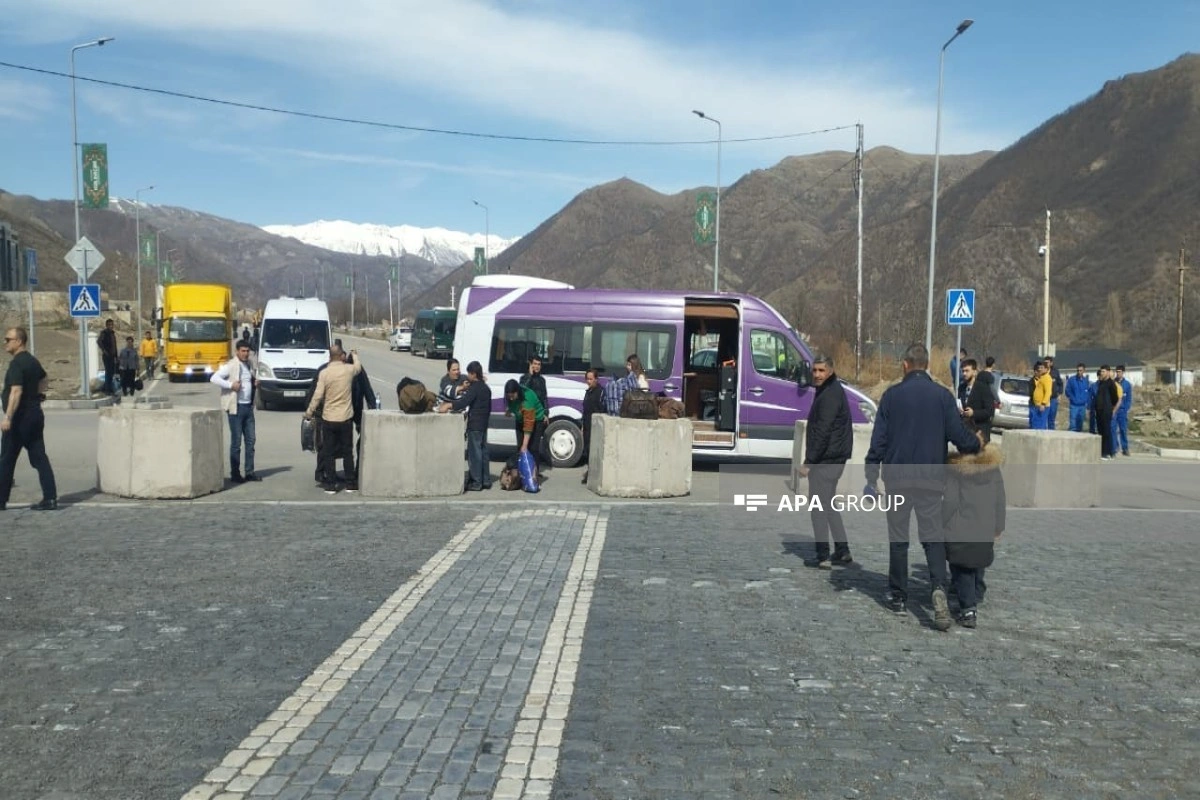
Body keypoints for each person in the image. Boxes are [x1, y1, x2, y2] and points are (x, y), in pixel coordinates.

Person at [865, 344, 980, 631]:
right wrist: (977, 444)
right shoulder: (942, 396)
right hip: (930, 479)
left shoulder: (891, 396)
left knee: (898, 538)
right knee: (932, 537)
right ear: (926, 365)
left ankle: (898, 595)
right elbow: (958, 435)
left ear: (905, 364)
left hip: (897, 479)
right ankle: (938, 586)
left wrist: (870, 476)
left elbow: (878, 441)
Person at [943, 423, 1005, 629]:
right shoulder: (993, 468)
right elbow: (1000, 499)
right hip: (985, 526)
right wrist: (999, 525)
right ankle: (977, 592)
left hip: (961, 527)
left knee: (962, 568)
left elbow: (950, 500)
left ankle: (968, 609)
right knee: (978, 562)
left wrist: (941, 521)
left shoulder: (957, 470)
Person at [798, 354, 853, 569]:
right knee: (828, 505)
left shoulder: (830, 394)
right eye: (815, 370)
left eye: (821, 370)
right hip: (833, 457)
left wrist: (808, 462)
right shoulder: (829, 390)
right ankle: (843, 550)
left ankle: (823, 555)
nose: (817, 374)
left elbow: (823, 431)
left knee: (818, 507)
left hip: (827, 459)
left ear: (830, 371)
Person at [0, 327, 58, 511]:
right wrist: (37, 395)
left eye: (8, 339)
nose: (5, 342)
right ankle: (50, 498)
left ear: (19, 341)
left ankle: (1, 500)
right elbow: (44, 378)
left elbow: (16, 391)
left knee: (6, 459)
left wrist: (8, 417)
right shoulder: (32, 361)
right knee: (39, 457)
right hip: (34, 414)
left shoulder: (17, 364)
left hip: (19, 418)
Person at [306, 346, 363, 494]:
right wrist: (354, 355)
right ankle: (350, 483)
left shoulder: (324, 373)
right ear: (341, 356)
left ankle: (331, 485)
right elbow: (358, 367)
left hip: (329, 418)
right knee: (347, 452)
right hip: (345, 418)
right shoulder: (348, 370)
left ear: (330, 357)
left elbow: (317, 396)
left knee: (329, 452)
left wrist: (309, 412)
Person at [210, 340, 261, 483]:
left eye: (247, 351)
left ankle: (249, 472)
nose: (245, 354)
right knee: (236, 442)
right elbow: (213, 378)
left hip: (248, 407)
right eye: (243, 351)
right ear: (237, 351)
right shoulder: (231, 365)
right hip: (236, 408)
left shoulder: (249, 364)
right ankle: (235, 474)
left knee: (251, 441)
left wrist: (254, 383)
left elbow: (248, 381)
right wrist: (230, 385)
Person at [440, 361, 492, 491]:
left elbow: (463, 402)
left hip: (475, 425)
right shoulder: (486, 388)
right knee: (483, 452)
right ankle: (486, 480)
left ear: (474, 374)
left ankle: (476, 482)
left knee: (474, 454)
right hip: (484, 424)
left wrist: (448, 405)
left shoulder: (474, 389)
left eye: (469, 373)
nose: (467, 376)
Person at [505, 378, 547, 472]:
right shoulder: (512, 395)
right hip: (520, 420)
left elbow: (528, 426)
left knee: (532, 448)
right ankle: (521, 473)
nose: (511, 398)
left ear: (517, 392)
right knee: (520, 447)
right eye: (509, 396)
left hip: (536, 420)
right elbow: (512, 403)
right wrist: (509, 409)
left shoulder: (528, 398)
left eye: (512, 396)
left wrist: (525, 445)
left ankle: (534, 474)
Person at [959, 359, 995, 443]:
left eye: (967, 371)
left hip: (980, 432)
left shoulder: (983, 388)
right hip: (966, 432)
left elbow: (990, 411)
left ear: (975, 372)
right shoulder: (961, 388)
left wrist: (973, 413)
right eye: (963, 371)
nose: (964, 373)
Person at [580, 369, 604, 484]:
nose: (589, 381)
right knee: (588, 450)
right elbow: (585, 409)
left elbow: (602, 409)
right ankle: (590, 472)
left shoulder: (600, 392)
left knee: (594, 450)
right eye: (587, 379)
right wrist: (582, 425)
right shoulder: (588, 391)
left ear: (596, 379)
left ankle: (593, 474)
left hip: (595, 426)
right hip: (587, 425)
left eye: (591, 379)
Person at [1094, 365, 1120, 460]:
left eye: (1104, 371)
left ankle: (1106, 453)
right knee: (1100, 431)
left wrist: (1110, 408)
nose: (1102, 373)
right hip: (1099, 410)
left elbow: (1115, 398)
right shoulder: (1101, 383)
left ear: (1108, 372)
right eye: (1101, 371)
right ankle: (1102, 452)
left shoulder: (1111, 384)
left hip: (1106, 410)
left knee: (1106, 431)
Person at [1064, 363, 1091, 433]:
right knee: (1073, 424)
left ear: (1084, 371)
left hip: (1082, 406)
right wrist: (1072, 398)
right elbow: (1067, 391)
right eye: (1078, 370)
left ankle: (1079, 437)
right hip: (1074, 405)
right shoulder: (1072, 380)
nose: (1079, 372)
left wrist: (1088, 404)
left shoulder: (1086, 381)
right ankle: (1072, 436)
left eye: (1081, 370)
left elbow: (1088, 393)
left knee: (1080, 424)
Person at [1113, 365, 1132, 456]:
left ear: (1123, 372)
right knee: (1113, 429)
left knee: (1123, 430)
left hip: (1122, 411)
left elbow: (1129, 398)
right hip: (1114, 410)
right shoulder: (1113, 383)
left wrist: (1126, 408)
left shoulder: (1127, 384)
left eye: (1119, 371)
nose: (1118, 373)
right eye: (1117, 371)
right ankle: (1115, 447)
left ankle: (1125, 448)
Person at [98, 318, 119, 396]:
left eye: (112, 325)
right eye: (109, 325)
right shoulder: (104, 333)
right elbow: (99, 341)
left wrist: (116, 356)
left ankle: (108, 388)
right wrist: (104, 351)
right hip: (107, 356)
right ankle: (107, 390)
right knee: (108, 372)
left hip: (113, 356)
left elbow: (114, 346)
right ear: (106, 325)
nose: (111, 326)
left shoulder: (112, 333)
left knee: (112, 373)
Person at [1029, 361, 1053, 430]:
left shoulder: (1047, 378)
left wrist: (1043, 403)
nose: (1040, 369)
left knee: (1040, 425)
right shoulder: (1042, 377)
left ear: (1046, 369)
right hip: (1037, 405)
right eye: (1039, 368)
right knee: (1035, 424)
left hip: (1042, 406)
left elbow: (1048, 392)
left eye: (1042, 368)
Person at [1045, 355, 1063, 428]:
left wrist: (1060, 394)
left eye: (1048, 362)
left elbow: (1060, 383)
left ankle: (1051, 432)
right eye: (1045, 362)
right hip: (1044, 399)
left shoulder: (1055, 372)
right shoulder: (1042, 371)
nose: (1046, 364)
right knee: (1044, 417)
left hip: (1053, 398)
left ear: (1051, 363)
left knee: (1051, 418)